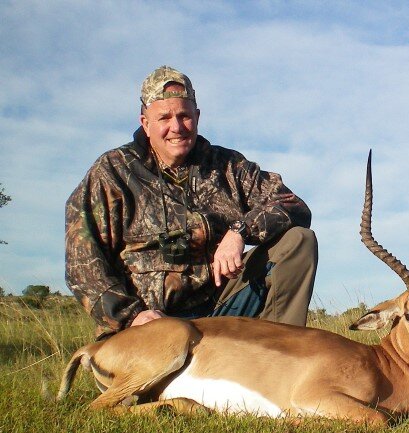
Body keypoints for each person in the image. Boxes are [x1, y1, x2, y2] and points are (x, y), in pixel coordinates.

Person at [66, 66, 318, 340]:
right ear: (145, 123)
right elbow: (81, 265)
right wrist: (132, 315)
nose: (177, 127)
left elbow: (294, 206)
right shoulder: (112, 172)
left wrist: (239, 231)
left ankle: (280, 358)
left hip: (219, 312)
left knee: (298, 241)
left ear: (197, 117)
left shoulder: (229, 166)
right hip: (148, 326)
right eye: (164, 117)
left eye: (185, 115)